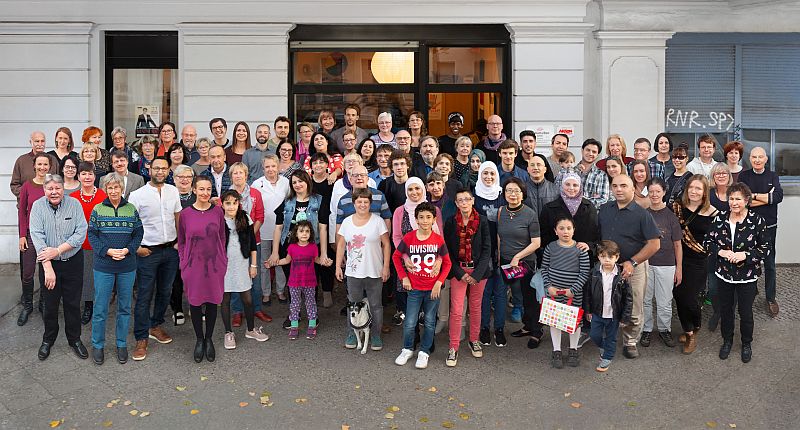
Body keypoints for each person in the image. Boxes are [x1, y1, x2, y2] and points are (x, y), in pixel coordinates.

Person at [704, 183, 769, 363]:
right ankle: (727, 341)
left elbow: (765, 248)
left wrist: (745, 255)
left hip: (747, 276)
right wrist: (721, 252)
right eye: (731, 198)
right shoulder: (719, 219)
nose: (734, 202)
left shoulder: (757, 221)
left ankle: (746, 343)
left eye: (738, 199)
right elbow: (707, 242)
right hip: (724, 274)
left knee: (746, 312)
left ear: (746, 200)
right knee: (726, 310)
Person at [598, 174, 660, 359]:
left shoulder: (642, 214)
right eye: (615, 186)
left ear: (633, 188)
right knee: (608, 303)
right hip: (609, 266)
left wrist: (632, 261)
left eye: (623, 185)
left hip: (634, 266)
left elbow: (654, 244)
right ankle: (608, 337)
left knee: (633, 306)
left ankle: (630, 341)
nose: (619, 189)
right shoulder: (604, 209)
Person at [128, 157, 182, 361]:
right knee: (144, 294)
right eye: (156, 167)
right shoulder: (137, 195)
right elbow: (130, 223)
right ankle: (141, 338)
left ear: (169, 170)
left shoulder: (173, 191)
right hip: (147, 252)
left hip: (170, 251)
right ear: (149, 169)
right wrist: (136, 248)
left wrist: (180, 241)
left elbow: (177, 217)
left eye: (164, 168)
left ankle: (155, 325)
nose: (160, 171)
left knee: (165, 291)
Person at [86, 172, 144, 365]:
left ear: (122, 189)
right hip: (104, 265)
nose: (113, 191)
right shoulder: (97, 210)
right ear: (105, 189)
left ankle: (121, 344)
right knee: (100, 308)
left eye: (116, 187)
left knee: (125, 308)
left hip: (127, 265)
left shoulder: (131, 209)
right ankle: (98, 345)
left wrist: (128, 250)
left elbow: (138, 233)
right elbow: (92, 235)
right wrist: (108, 251)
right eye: (109, 187)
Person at [30, 174, 88, 361]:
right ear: (44, 190)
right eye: (50, 189)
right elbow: (37, 236)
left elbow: (80, 232)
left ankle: (75, 339)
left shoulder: (75, 204)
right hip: (49, 264)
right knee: (50, 304)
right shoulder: (38, 207)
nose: (54, 192)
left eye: (58, 188)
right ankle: (48, 339)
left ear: (63, 188)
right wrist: (47, 267)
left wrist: (57, 250)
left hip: (72, 261)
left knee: (72, 303)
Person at [393, 202, 452, 369]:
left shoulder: (438, 240)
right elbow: (396, 257)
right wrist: (404, 277)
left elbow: (447, 263)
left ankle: (424, 351)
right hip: (414, 288)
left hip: (432, 289)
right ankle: (407, 349)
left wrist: (439, 283)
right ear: (416, 220)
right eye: (421, 217)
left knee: (429, 322)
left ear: (434, 220)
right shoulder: (409, 237)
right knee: (410, 322)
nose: (425, 221)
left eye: (428, 217)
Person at [271, 170, 332, 323]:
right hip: (289, 249)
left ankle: (313, 314)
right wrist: (274, 252)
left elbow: (323, 227)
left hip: (312, 249)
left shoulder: (319, 200)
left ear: (307, 181)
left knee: (312, 281)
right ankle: (294, 315)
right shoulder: (287, 201)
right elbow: (278, 227)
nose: (297, 185)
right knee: (292, 282)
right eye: (294, 182)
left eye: (300, 181)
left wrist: (323, 253)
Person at [177, 175, 226, 363]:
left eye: (208, 189)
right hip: (193, 266)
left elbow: (222, 237)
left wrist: (223, 260)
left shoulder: (218, 212)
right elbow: (181, 240)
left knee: (213, 302)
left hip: (214, 265)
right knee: (195, 304)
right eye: (201, 189)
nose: (205, 193)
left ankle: (209, 339)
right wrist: (184, 261)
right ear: (194, 190)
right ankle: (199, 339)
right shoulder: (186, 214)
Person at [336, 188, 391, 351]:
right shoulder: (347, 222)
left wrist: (386, 266)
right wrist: (338, 266)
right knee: (353, 304)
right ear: (354, 203)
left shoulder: (377, 221)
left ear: (370, 203)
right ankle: (353, 333)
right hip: (353, 272)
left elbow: (386, 244)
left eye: (365, 202)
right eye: (359, 201)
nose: (362, 204)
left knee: (375, 305)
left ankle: (375, 335)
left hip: (374, 270)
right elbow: (341, 244)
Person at [443, 189, 491, 366]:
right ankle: (453, 347)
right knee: (456, 309)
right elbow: (447, 251)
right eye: (460, 200)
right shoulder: (450, 222)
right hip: (459, 271)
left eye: (467, 199)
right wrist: (460, 273)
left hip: (479, 271)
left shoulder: (483, 221)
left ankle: (474, 340)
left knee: (476, 307)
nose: (464, 203)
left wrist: (476, 275)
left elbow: (487, 249)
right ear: (456, 203)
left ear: (472, 201)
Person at [672, 175, 717, 354]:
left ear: (705, 192)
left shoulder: (713, 212)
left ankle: (695, 326)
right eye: (691, 188)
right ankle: (688, 330)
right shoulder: (677, 208)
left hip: (699, 261)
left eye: (698, 188)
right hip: (678, 258)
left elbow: (717, 239)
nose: (694, 191)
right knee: (678, 294)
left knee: (689, 297)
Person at [219, 190, 269, 350]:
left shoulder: (245, 218)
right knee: (225, 299)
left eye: (234, 202)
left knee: (247, 298)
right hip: (223, 266)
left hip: (242, 264)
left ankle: (250, 329)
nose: (231, 206)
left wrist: (253, 265)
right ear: (222, 204)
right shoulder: (218, 220)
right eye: (228, 203)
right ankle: (228, 332)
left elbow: (253, 244)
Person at [391, 177, 444, 326]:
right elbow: (396, 237)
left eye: (417, 188)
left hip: (430, 264)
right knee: (410, 307)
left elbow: (441, 239)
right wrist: (405, 257)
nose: (414, 192)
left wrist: (439, 261)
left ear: (423, 189)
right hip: (408, 263)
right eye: (410, 189)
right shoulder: (399, 211)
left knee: (428, 311)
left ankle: (428, 342)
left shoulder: (435, 211)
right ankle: (412, 340)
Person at [497, 178, 542, 348]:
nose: (512, 194)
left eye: (516, 191)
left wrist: (518, 257)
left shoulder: (530, 214)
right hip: (506, 263)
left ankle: (536, 330)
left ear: (522, 194)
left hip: (525, 263)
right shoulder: (501, 211)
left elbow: (536, 243)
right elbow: (500, 237)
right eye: (509, 190)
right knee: (517, 296)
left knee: (529, 296)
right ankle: (527, 325)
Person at [737, 147, 782, 317]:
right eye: (754, 157)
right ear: (750, 158)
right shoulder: (744, 176)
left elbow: (778, 197)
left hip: (770, 226)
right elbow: (743, 202)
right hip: (749, 226)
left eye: (760, 157)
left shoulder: (773, 176)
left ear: (766, 159)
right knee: (749, 260)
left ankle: (770, 298)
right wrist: (765, 197)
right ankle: (751, 291)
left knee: (769, 263)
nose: (757, 160)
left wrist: (753, 196)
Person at [542, 216, 590, 368]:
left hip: (573, 294)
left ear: (574, 230)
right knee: (555, 321)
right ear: (555, 231)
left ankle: (573, 349)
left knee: (574, 322)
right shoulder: (551, 247)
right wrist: (549, 286)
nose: (565, 232)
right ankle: (556, 350)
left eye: (569, 228)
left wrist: (573, 289)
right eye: (561, 228)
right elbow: (544, 268)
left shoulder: (580, 250)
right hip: (554, 293)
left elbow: (584, 273)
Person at [269, 220, 328, 339]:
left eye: (307, 231)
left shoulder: (313, 247)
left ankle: (312, 325)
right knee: (295, 305)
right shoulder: (291, 247)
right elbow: (286, 260)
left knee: (310, 303)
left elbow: (317, 260)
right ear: (296, 234)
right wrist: (273, 263)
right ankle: (294, 326)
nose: (304, 234)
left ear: (311, 233)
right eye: (301, 231)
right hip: (294, 282)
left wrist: (325, 262)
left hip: (310, 282)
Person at [641, 178, 681, 349]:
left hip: (667, 264)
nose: (655, 194)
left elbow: (678, 244)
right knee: (645, 299)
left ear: (664, 192)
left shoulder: (671, 216)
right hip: (646, 264)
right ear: (648, 193)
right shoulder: (643, 215)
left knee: (664, 301)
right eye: (651, 191)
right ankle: (646, 329)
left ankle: (664, 329)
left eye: (658, 191)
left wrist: (679, 268)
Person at [228, 163, 270, 325]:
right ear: (231, 176)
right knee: (235, 277)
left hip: (254, 241)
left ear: (246, 175)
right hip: (233, 244)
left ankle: (257, 308)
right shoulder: (227, 195)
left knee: (255, 277)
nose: (238, 175)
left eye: (241, 173)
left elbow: (260, 216)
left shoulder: (255, 193)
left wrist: (250, 236)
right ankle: (237, 311)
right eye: (235, 173)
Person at [584, 240, 633, 372]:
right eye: (603, 256)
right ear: (598, 256)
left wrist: (625, 317)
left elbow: (628, 298)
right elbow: (588, 293)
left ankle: (607, 357)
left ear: (617, 257)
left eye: (610, 257)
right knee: (594, 335)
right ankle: (604, 347)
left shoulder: (622, 276)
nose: (606, 260)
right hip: (597, 313)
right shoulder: (594, 273)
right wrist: (588, 310)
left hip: (614, 315)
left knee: (611, 338)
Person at [473, 161, 506, 345]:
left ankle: (499, 328)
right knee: (484, 292)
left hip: (501, 251)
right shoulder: (474, 195)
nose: (488, 177)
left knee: (500, 292)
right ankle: (484, 327)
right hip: (481, 251)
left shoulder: (502, 195)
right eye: (485, 173)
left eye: (492, 174)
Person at [16, 153, 52, 326]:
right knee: (28, 272)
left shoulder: (52, 186)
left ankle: (43, 304)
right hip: (30, 235)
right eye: (40, 164)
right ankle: (28, 305)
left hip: (48, 236)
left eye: (46, 164)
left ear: (49, 166)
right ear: (34, 166)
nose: (43, 167)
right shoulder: (26, 186)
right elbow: (22, 211)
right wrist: (22, 235)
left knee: (45, 271)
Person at [70, 162, 108, 326]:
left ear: (95, 176)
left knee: (92, 278)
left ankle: (90, 307)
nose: (87, 177)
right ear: (78, 176)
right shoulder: (72, 198)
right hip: (76, 245)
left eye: (90, 174)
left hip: (96, 244)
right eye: (83, 174)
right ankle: (79, 305)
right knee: (79, 277)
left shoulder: (102, 196)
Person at [250, 155, 290, 306]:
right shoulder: (256, 184)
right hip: (263, 230)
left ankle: (280, 291)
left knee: (280, 261)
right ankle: (265, 293)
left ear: (279, 166)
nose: (271, 169)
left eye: (273, 166)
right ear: (263, 168)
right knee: (264, 263)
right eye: (267, 166)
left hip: (282, 230)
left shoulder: (286, 182)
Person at [706, 162, 733, 331]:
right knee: (714, 285)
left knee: (731, 283)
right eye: (717, 173)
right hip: (714, 244)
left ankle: (726, 313)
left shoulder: (735, 192)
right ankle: (717, 312)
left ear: (729, 175)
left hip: (733, 244)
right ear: (713, 177)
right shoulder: (708, 194)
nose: (721, 176)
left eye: (724, 173)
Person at [170, 164, 195, 325]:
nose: (184, 180)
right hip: (174, 245)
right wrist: (176, 242)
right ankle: (177, 309)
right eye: (180, 177)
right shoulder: (169, 197)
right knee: (176, 279)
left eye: (188, 177)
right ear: (174, 179)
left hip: (195, 245)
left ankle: (195, 305)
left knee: (195, 278)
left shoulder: (198, 196)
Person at [11, 131, 59, 200]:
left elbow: (58, 181)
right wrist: (27, 195)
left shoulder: (53, 160)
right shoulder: (21, 160)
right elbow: (14, 185)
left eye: (42, 141)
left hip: (49, 205)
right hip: (27, 205)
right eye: (37, 141)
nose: (40, 144)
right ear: (31, 142)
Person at [579, 138, 610, 209]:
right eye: (588, 150)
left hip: (591, 216)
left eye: (594, 152)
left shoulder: (601, 175)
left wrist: (580, 202)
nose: (590, 153)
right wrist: (592, 199)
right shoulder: (572, 171)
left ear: (597, 155)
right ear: (582, 150)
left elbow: (603, 200)